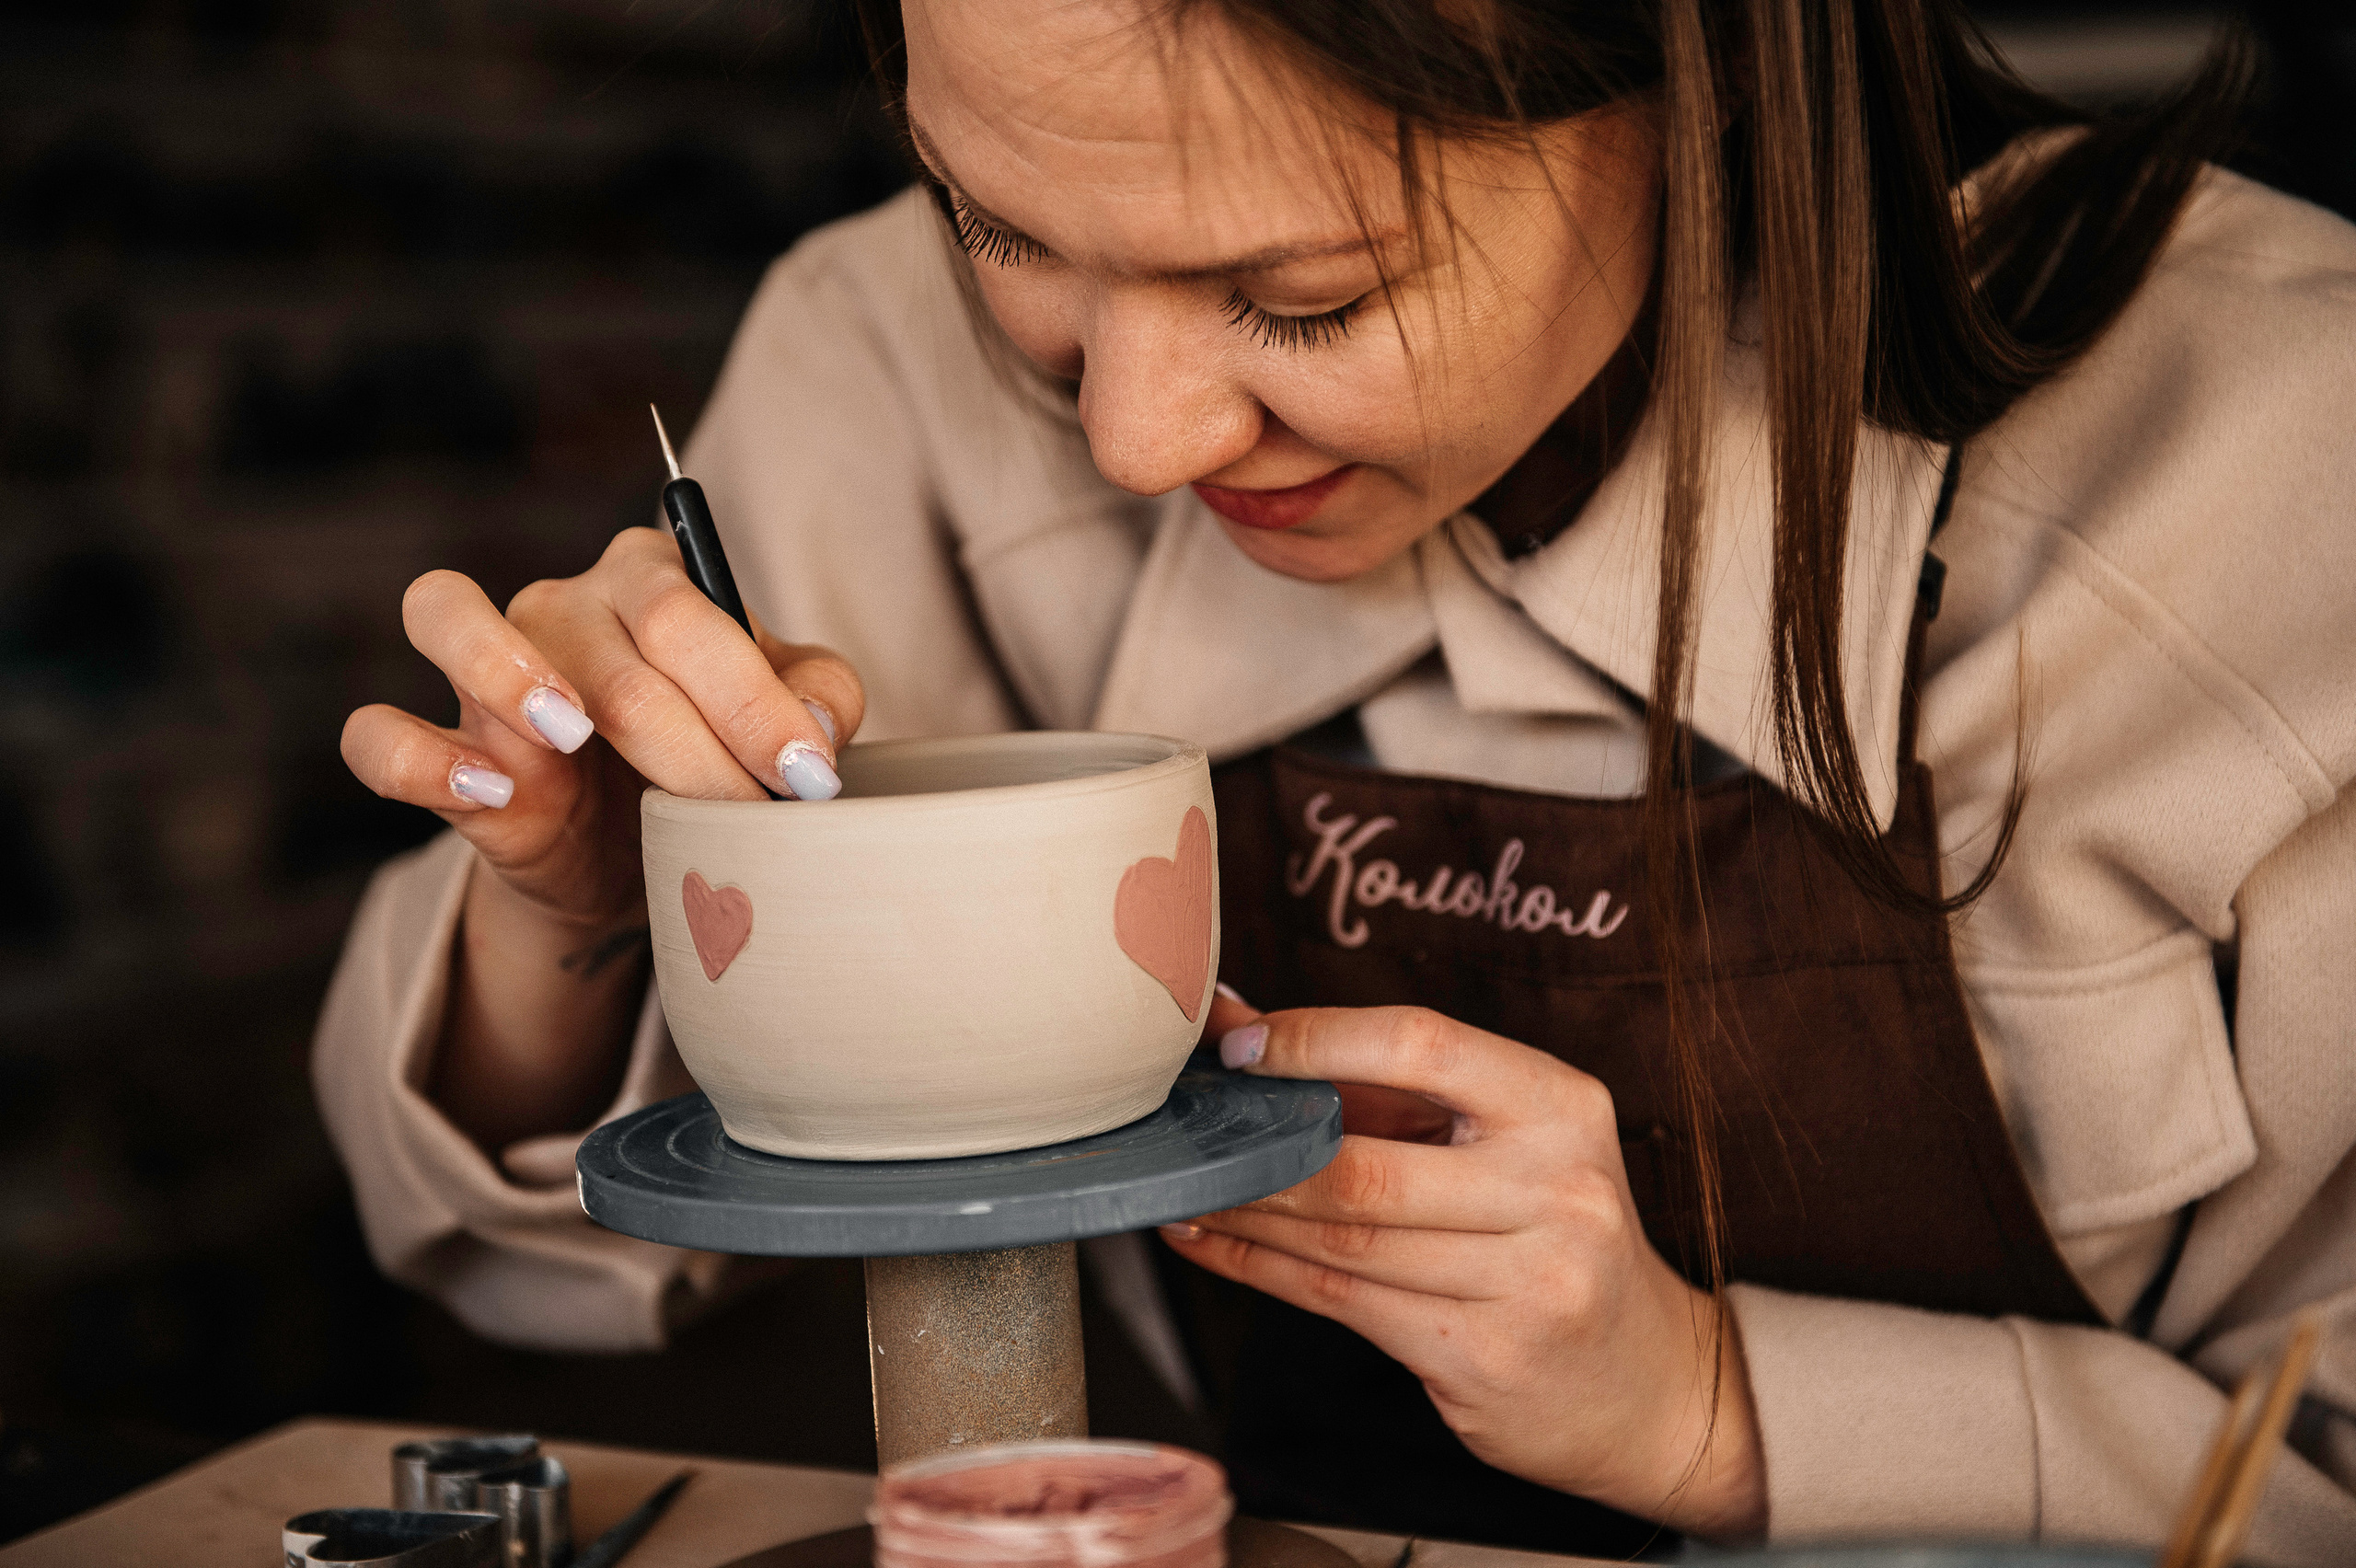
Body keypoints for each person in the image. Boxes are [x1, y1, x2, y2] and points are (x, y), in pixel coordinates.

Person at [316, 0, 2356, 1558]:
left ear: (1703, 81)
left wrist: (1724, 1410)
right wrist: (581, 903)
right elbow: (515, 1254)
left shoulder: (2272, 471)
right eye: (1001, 230)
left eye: (1301, 299)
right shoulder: (881, 370)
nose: (1129, 438)